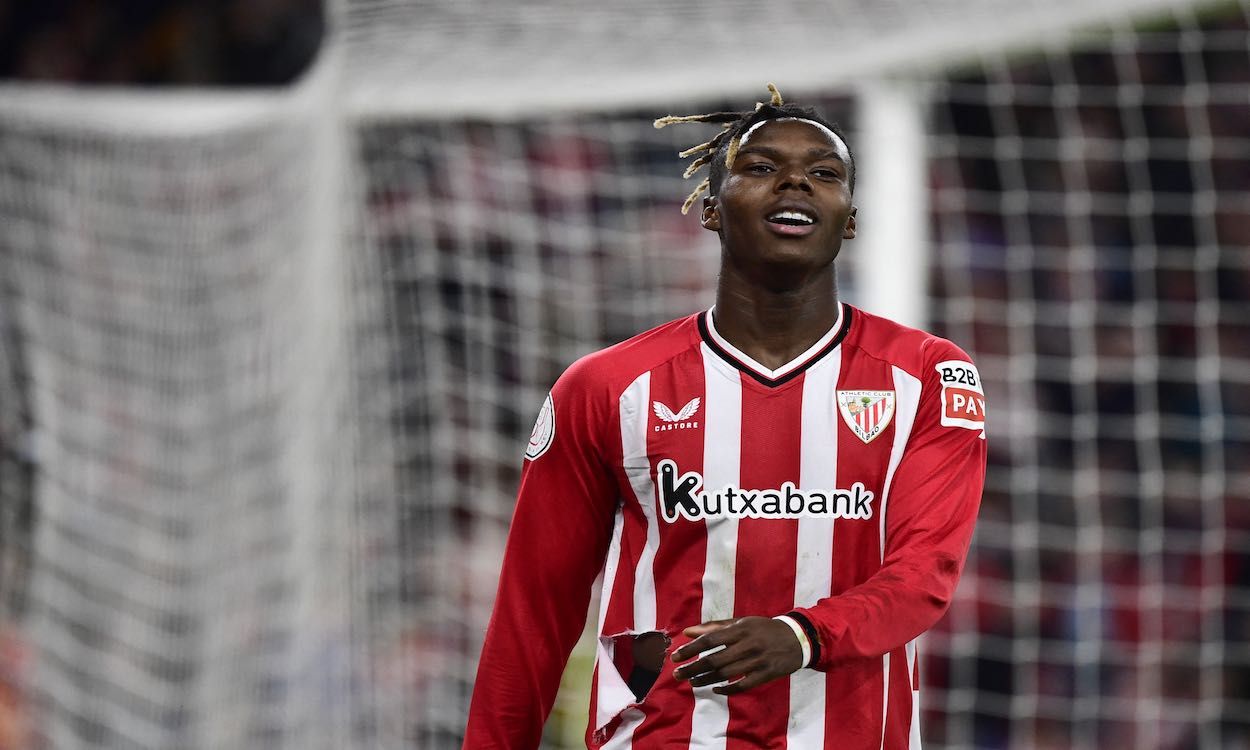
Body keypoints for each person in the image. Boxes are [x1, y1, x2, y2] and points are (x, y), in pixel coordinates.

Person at [463, 84, 987, 749]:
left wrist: (803, 635)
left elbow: (924, 577)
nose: (795, 181)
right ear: (711, 210)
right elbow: (534, 609)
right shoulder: (607, 387)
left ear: (850, 219)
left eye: (825, 173)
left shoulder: (928, 377)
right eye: (762, 167)